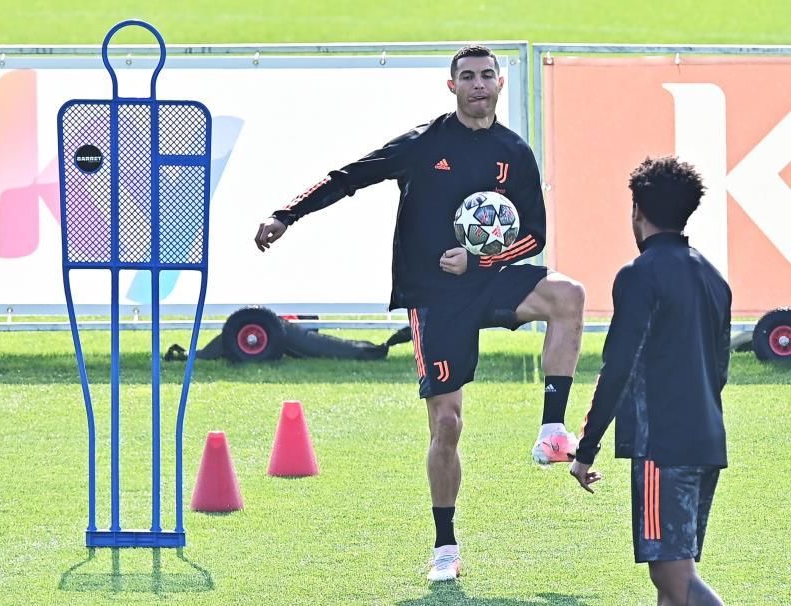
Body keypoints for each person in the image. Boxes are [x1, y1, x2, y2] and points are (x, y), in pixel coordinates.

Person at [255, 45, 585, 582]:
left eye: (486, 75)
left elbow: (534, 234)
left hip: (486, 280)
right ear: (451, 86)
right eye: (467, 77)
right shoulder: (423, 143)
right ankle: (445, 547)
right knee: (447, 424)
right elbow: (348, 176)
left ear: (500, 83)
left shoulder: (514, 152)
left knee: (568, 294)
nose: (478, 85)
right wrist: (286, 215)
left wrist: (481, 259)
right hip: (434, 297)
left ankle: (552, 430)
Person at [569, 156, 731, 605]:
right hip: (706, 441)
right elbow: (719, 371)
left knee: (674, 578)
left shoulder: (638, 275)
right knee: (674, 583)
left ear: (637, 209)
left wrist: (586, 449)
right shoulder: (714, 278)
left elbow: (618, 367)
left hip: (664, 447)